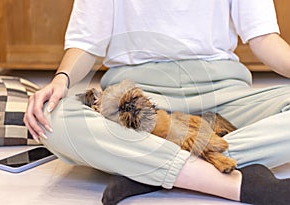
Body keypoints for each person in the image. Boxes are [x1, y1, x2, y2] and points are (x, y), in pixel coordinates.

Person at [24, 0, 290, 204]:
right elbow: (86, 42)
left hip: (224, 95)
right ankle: (231, 181)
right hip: (140, 105)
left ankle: (153, 169)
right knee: (52, 117)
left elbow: (264, 38)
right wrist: (61, 80)